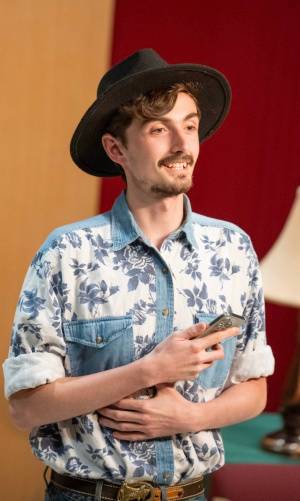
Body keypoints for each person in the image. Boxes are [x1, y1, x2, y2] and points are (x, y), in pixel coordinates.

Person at [3, 48, 275, 501]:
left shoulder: (233, 249)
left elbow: (254, 389)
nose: (182, 144)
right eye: (158, 129)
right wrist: (149, 370)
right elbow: (25, 409)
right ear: (116, 149)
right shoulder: (67, 253)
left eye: (189, 126)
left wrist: (186, 417)